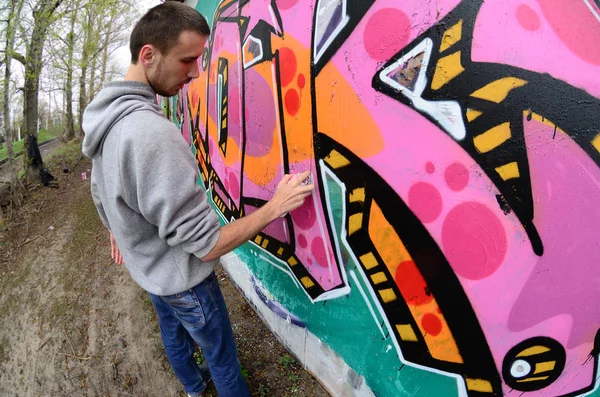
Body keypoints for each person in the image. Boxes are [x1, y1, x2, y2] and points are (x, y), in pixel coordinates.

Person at [81, 2, 314, 397]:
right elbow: (207, 246)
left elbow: (101, 190)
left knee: (173, 334)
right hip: (184, 280)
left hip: (150, 271)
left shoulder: (105, 116)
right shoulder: (150, 134)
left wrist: (115, 228)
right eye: (187, 60)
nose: (197, 72)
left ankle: (192, 387)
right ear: (148, 54)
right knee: (222, 359)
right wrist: (276, 206)